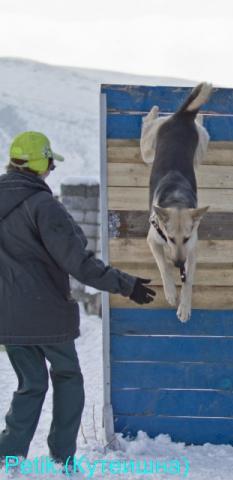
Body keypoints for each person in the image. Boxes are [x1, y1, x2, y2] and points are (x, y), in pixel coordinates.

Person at [0, 131, 156, 470]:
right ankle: (62, 455)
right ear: (41, 163)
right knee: (68, 376)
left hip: (7, 315)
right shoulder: (43, 206)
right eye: (50, 161)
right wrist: (125, 284)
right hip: (46, 312)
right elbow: (78, 262)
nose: (52, 168)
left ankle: (8, 455)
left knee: (31, 383)